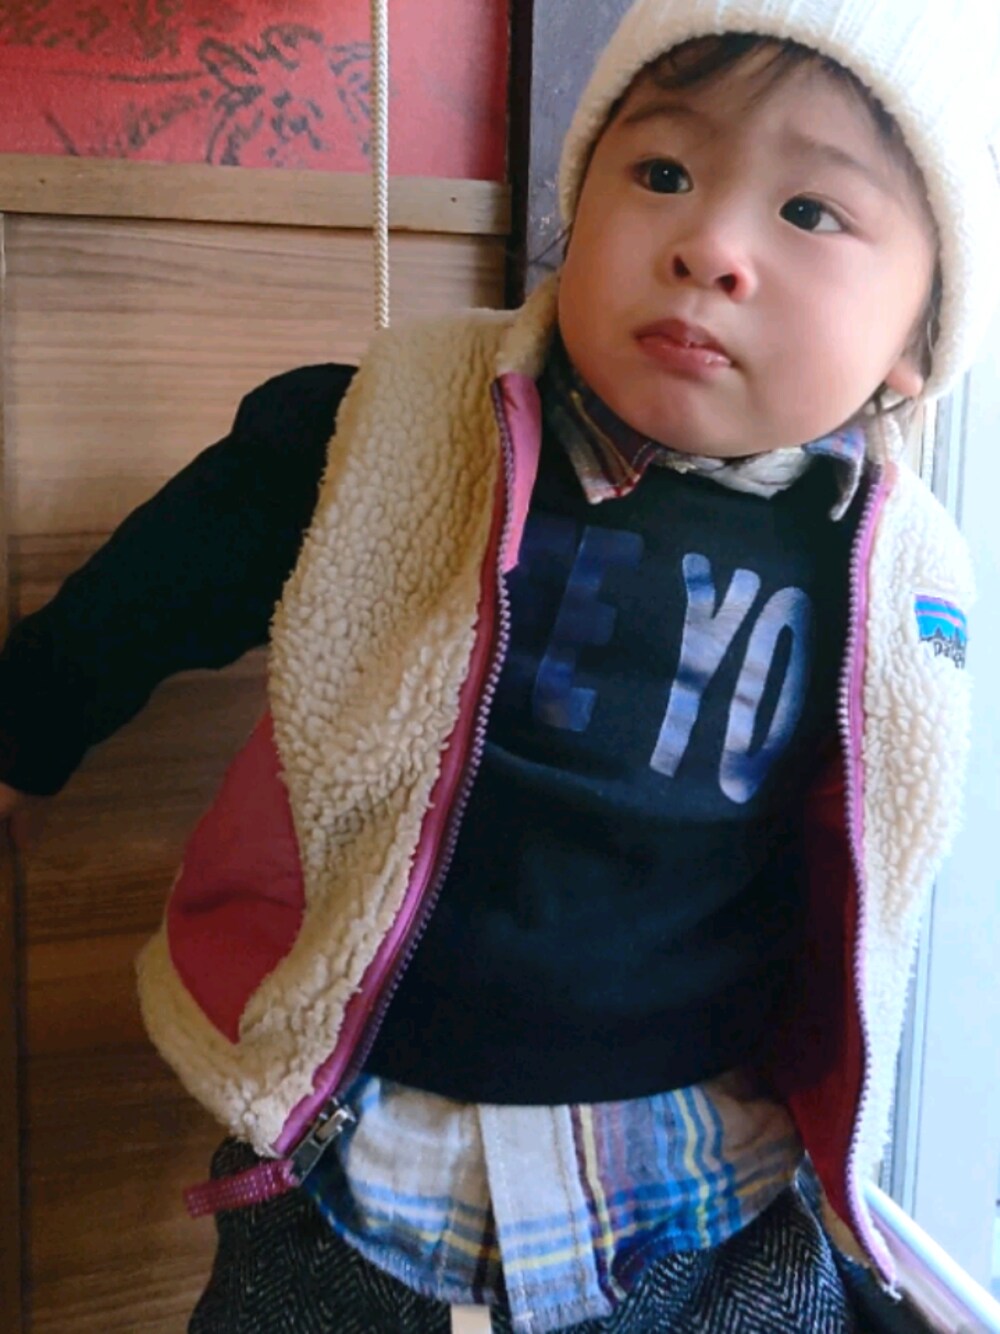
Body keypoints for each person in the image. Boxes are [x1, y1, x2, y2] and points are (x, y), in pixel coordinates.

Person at [2, 0, 997, 1330]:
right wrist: (25, 729)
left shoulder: (886, 570)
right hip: (358, 1151)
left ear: (919, 342)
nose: (709, 246)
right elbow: (168, 581)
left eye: (810, 212)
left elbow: (867, 860)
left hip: (702, 1181)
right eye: (662, 172)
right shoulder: (397, 430)